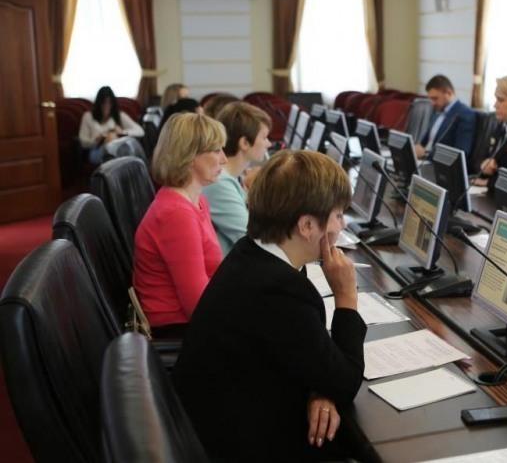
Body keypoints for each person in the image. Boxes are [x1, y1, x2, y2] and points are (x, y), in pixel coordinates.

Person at [172, 150, 366, 461]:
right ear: (307, 225)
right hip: (241, 446)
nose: (341, 226)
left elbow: (311, 359)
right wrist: (346, 297)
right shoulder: (280, 292)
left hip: (217, 424)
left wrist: (320, 386)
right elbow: (345, 382)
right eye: (339, 216)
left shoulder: (249, 253)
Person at [133, 113, 227, 337]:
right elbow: (198, 306)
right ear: (190, 156)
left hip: (196, 315)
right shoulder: (177, 215)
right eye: (216, 150)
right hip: (178, 327)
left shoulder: (197, 201)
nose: (224, 159)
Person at [203, 101, 272, 254]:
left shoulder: (233, 176)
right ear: (245, 143)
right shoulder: (219, 183)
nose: (268, 144)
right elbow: (253, 240)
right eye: (264, 137)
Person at [414, 74, 476, 159]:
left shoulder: (465, 114)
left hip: (439, 164)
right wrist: (416, 148)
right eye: (430, 99)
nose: (432, 103)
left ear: (449, 93)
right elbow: (425, 143)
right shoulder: (437, 110)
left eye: (435, 98)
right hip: (424, 160)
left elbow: (461, 153)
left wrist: (426, 154)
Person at [78, 86, 144, 164]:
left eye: (109, 103)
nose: (107, 106)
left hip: (117, 149)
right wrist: (96, 140)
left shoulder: (119, 115)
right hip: (97, 149)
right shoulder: (88, 116)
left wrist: (122, 132)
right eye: (104, 103)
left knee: (126, 143)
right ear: (98, 103)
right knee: (114, 141)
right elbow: (83, 141)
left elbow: (140, 131)